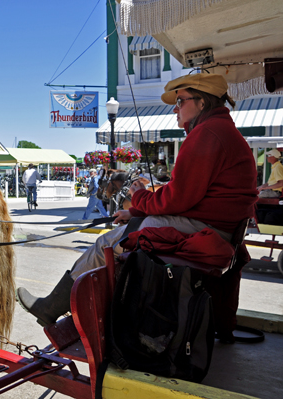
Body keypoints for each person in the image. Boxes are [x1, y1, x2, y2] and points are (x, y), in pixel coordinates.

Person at [16, 73, 258, 327]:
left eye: (181, 101)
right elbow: (191, 196)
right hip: (214, 226)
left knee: (106, 243)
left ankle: (53, 307)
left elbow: (178, 198)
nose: (175, 108)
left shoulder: (207, 134)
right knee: (123, 232)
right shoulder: (220, 131)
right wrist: (136, 213)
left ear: (202, 102)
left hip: (206, 229)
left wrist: (139, 198)